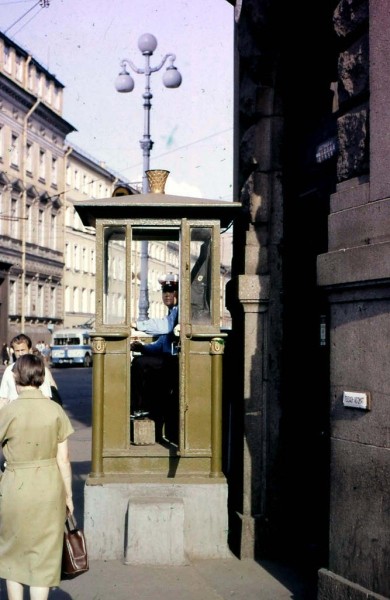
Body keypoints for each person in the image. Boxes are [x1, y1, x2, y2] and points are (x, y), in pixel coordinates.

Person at [0, 353, 74, 600]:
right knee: (43, 557)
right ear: (42, 378)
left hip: (14, 485)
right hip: (49, 486)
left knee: (13, 554)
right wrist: (69, 496)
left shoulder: (8, 412)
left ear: (16, 376)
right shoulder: (55, 411)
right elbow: (63, 459)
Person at [130, 274, 179, 442]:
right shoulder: (173, 311)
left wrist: (139, 324)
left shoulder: (179, 311)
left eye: (171, 291)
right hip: (169, 359)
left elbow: (165, 327)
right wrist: (143, 348)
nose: (167, 295)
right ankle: (142, 408)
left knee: (140, 364)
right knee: (140, 362)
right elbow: (161, 344)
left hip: (175, 362)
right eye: (165, 291)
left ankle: (139, 407)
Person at [0, 334, 58, 409]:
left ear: (30, 350)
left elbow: (46, 397)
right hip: (14, 414)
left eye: (23, 350)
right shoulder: (9, 370)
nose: (20, 354)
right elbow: (3, 397)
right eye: (17, 351)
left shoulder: (39, 368)